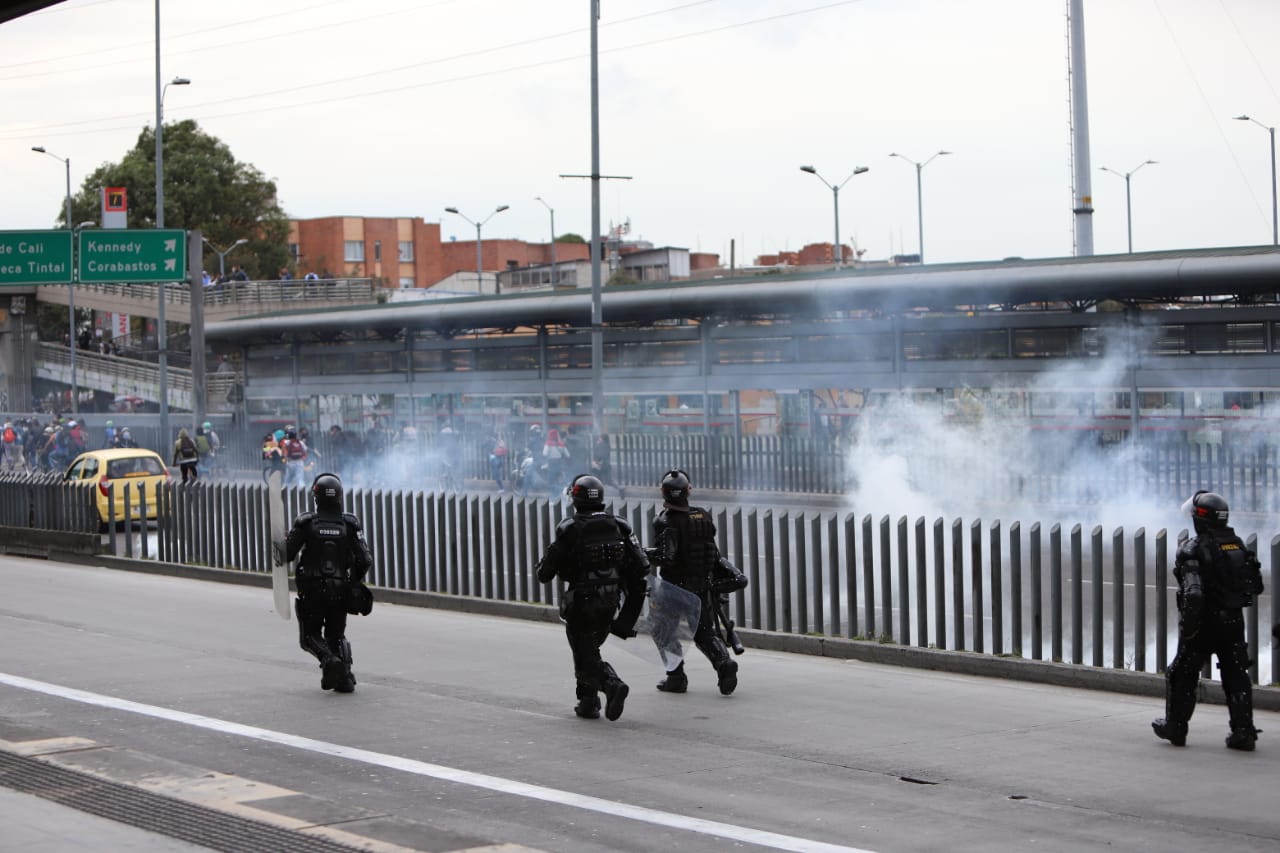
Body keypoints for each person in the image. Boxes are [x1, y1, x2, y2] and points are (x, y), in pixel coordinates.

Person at [1153, 491, 1264, 751]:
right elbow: (1255, 586)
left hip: (1205, 624)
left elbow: (1193, 594)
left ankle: (1176, 727)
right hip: (1234, 622)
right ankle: (1244, 732)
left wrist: (1189, 630)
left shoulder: (1192, 548)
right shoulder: (1237, 544)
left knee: (1181, 673)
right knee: (1236, 676)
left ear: (1200, 520)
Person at [535, 474, 649, 721]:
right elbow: (642, 565)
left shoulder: (570, 528)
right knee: (588, 649)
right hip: (611, 602)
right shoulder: (620, 525)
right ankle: (588, 701)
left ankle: (611, 684)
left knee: (585, 652)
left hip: (583, 603)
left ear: (576, 499)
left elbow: (545, 573)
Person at [650, 469, 747, 696]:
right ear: (688, 490)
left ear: (663, 492)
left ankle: (675, 677)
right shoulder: (702, 517)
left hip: (673, 588)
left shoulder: (665, 521)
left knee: (663, 631)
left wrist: (641, 553)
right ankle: (723, 663)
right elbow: (712, 553)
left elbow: (667, 557)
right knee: (704, 632)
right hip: (702, 587)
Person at [285, 472, 373, 693]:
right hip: (340, 590)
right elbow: (365, 559)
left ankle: (329, 661)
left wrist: (281, 539)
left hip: (312, 590)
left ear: (316, 497)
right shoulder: (350, 524)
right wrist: (353, 583)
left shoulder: (306, 523)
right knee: (336, 634)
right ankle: (345, 678)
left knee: (310, 636)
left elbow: (286, 554)